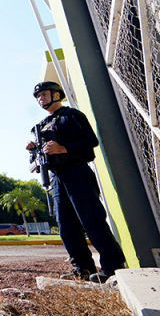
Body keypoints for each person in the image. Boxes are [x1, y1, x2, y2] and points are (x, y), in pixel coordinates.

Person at [26, 81, 126, 283]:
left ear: (57, 95)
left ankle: (113, 266)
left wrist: (63, 149)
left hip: (77, 173)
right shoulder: (41, 127)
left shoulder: (71, 115)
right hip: (56, 179)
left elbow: (91, 141)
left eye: (44, 94)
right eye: (38, 97)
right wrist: (33, 151)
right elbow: (38, 159)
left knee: (91, 220)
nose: (41, 99)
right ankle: (82, 268)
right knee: (66, 225)